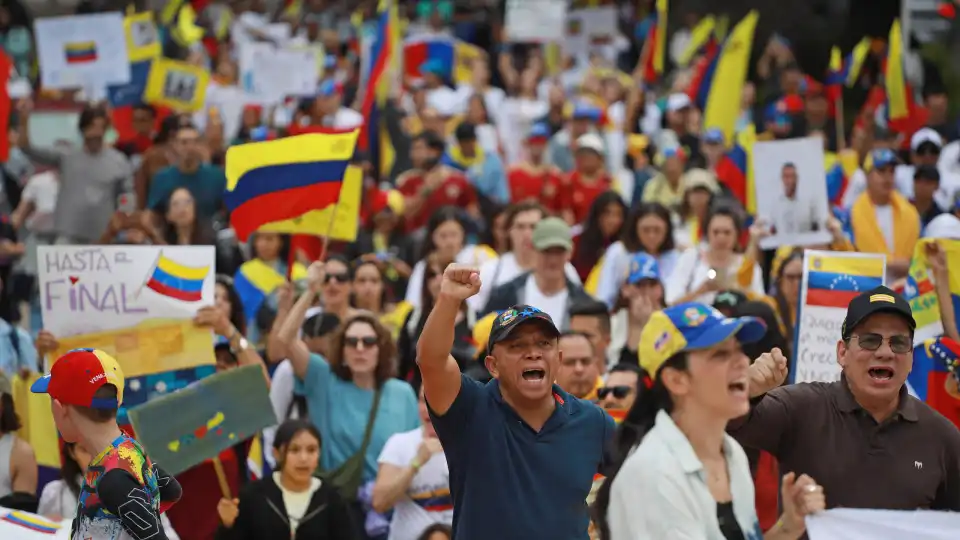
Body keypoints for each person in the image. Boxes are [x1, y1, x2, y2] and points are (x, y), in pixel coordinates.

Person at [595, 303, 826, 539]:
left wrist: (788, 527)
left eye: (738, 350)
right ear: (676, 380)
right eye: (720, 354)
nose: (743, 361)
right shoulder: (653, 474)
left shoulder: (730, 452)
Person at [418, 264, 615, 539]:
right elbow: (432, 361)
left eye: (544, 344)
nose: (533, 353)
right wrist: (449, 300)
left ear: (558, 360)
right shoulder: (469, 409)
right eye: (517, 346)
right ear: (492, 365)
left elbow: (636, 485)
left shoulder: (593, 422)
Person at [730, 285, 960, 511]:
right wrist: (747, 389)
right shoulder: (800, 408)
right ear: (842, 352)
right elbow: (724, 426)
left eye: (898, 343)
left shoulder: (942, 437)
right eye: (870, 340)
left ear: (911, 359)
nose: (885, 352)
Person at [30, 348, 182, 539]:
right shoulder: (129, 450)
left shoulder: (114, 479)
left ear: (61, 409)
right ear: (117, 402)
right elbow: (172, 490)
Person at [215, 419, 359, 540]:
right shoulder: (254, 496)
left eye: (311, 450)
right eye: (294, 450)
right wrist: (227, 526)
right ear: (276, 454)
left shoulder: (331, 499)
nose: (303, 459)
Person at [38, 442, 180, 538]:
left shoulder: (138, 486)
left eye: (99, 449)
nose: (94, 457)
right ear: (72, 452)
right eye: (84, 449)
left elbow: (167, 534)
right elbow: (41, 534)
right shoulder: (56, 492)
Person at [372, 388, 453, 539]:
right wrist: (416, 463)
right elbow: (379, 503)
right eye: (423, 400)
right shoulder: (399, 443)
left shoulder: (471, 445)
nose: (428, 407)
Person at [769, 162, 824, 236]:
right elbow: (772, 230)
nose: (789, 181)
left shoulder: (808, 203)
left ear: (797, 178)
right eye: (786, 176)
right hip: (783, 246)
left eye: (792, 176)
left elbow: (817, 227)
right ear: (782, 178)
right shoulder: (775, 205)